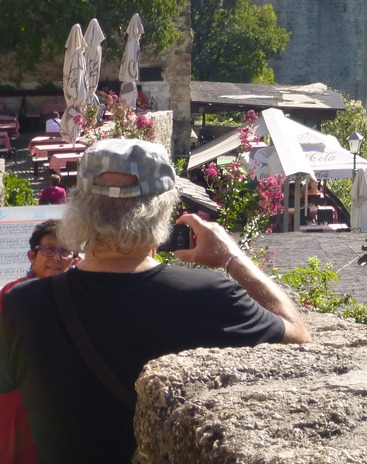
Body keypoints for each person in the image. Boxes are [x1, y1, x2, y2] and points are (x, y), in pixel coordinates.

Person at [0, 138, 310, 463]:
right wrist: (232, 258)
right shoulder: (208, 294)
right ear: (163, 208)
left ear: (77, 208)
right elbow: (298, 337)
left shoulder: (23, 305)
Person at [0, 222, 78, 464]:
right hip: (17, 398)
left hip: (62, 403)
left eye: (65, 252)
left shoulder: (79, 298)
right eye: (49, 249)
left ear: (74, 259)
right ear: (32, 256)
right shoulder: (10, 295)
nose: (56, 258)